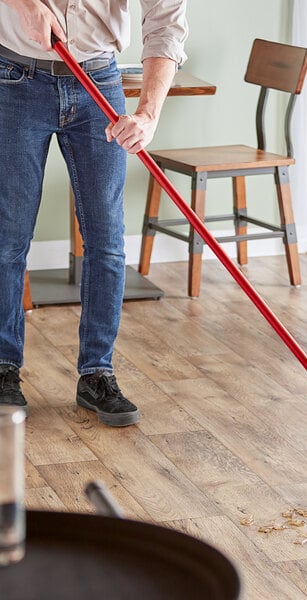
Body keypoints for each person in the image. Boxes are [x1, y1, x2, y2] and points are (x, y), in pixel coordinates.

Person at [0, 1, 188, 426]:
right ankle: (2, 368)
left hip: (98, 82)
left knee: (106, 241)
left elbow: (166, 26)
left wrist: (148, 114)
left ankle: (97, 373)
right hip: (12, 80)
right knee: (7, 240)